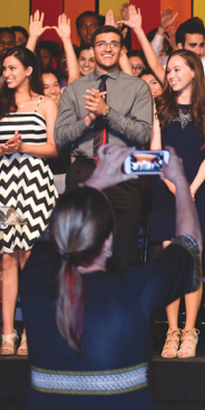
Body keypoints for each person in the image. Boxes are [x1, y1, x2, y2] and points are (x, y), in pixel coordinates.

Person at [20, 145, 201, 410]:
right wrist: (179, 181)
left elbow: (50, 235)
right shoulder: (136, 289)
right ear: (109, 242)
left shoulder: (35, 284)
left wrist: (95, 182)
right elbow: (189, 244)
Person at [0, 47, 59, 355]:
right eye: (4, 69)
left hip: (35, 185)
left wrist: (25, 146)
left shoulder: (46, 103)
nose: (7, 73)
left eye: (12, 68)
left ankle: (32, 331)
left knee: (31, 260)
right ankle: (8, 333)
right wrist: (6, 150)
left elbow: (54, 149)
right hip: (1, 187)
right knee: (4, 259)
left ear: (28, 71)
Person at [55, 25, 153, 273]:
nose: (107, 48)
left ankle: (120, 311)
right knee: (80, 253)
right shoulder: (75, 89)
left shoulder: (137, 87)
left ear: (121, 50)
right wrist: (88, 120)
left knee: (124, 255)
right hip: (84, 173)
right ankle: (82, 312)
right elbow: (60, 138)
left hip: (122, 174)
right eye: (101, 43)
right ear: (92, 49)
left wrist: (106, 112)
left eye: (113, 44)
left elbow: (142, 134)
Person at [149, 49, 205, 358]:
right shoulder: (159, 107)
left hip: (198, 191)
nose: (171, 74)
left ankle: (191, 331)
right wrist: (173, 185)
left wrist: (191, 187)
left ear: (193, 71)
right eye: (169, 70)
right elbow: (154, 153)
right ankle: (171, 331)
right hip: (167, 191)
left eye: (177, 69)